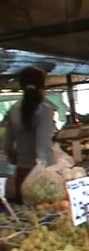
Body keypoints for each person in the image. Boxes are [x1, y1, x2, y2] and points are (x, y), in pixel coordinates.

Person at [4, 66, 55, 204]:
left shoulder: (13, 110)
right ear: (42, 86)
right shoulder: (45, 110)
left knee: (27, 219)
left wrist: (19, 159)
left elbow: (7, 146)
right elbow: (42, 147)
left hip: (22, 174)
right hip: (44, 177)